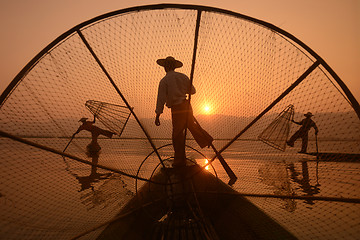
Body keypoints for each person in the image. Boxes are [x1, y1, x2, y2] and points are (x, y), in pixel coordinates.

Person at [155, 56, 213, 167]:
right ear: (174, 67)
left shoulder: (164, 81)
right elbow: (193, 91)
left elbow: (160, 99)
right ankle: (207, 139)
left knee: (177, 135)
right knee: (191, 125)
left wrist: (158, 115)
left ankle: (179, 160)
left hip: (177, 109)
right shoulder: (182, 77)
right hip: (186, 105)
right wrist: (181, 89)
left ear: (166, 67)